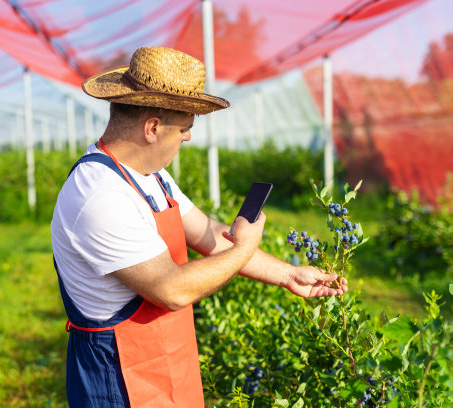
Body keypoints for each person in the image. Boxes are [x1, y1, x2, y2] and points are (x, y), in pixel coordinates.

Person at [51, 46, 347, 408]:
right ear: (153, 128)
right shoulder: (100, 195)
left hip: (162, 361)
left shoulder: (150, 176)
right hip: (117, 375)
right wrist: (244, 249)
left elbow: (207, 234)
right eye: (185, 129)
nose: (188, 138)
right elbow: (171, 289)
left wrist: (287, 275)